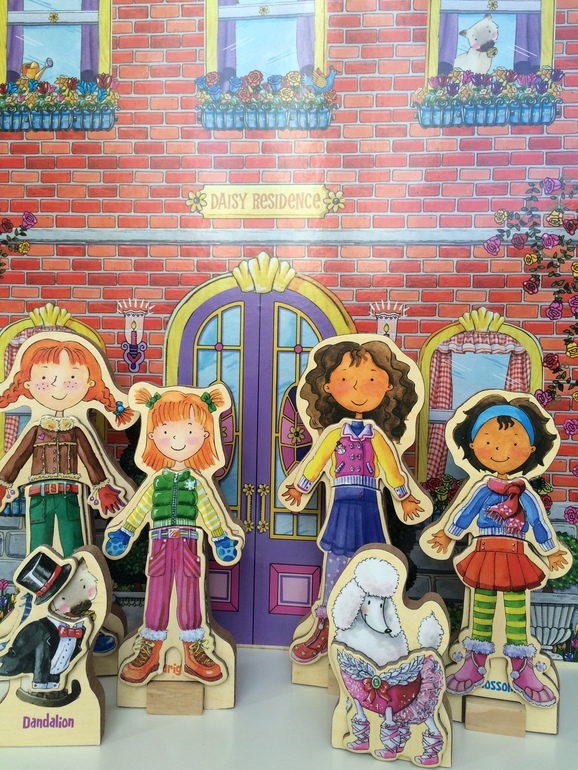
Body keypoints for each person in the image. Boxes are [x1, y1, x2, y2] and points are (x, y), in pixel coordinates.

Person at [282, 336, 430, 664]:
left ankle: (368, 631)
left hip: (370, 507)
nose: (358, 388)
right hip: (343, 504)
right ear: (328, 387)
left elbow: (391, 470)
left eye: (371, 379)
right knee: (337, 561)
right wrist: (301, 487)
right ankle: (327, 627)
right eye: (346, 379)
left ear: (389, 386)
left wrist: (404, 497)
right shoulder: (334, 434)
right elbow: (316, 462)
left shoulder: (377, 436)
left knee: (371, 564)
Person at [423, 392, 569, 707]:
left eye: (514, 442)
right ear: (473, 445)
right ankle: (474, 661)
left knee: (516, 611)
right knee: (482, 608)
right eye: (489, 441)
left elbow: (538, 523)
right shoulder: (482, 489)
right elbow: (464, 513)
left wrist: (550, 550)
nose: (501, 450)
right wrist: (449, 536)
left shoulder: (524, 493)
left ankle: (521, 666)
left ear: (531, 449)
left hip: (517, 557)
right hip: (484, 554)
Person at [104, 386, 243, 685]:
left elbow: (210, 511)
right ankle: (149, 650)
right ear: (153, 435)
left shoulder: (197, 482)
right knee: (157, 592)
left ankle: (194, 650)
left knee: (191, 592)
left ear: (205, 435)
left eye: (189, 432)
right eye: (167, 432)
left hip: (190, 543)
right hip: (160, 543)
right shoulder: (156, 482)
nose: (177, 440)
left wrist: (220, 537)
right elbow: (139, 509)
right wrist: (125, 532)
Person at [0, 335, 133, 557]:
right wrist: (3, 483)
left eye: (72, 377)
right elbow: (17, 459)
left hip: (69, 496)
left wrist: (102, 487)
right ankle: (38, 580)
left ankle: (78, 578)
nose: (57, 386)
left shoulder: (76, 430)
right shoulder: (35, 430)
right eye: (44, 377)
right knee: (38, 548)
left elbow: (91, 462)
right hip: (39, 497)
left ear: (90, 383)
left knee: (74, 545)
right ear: (28, 383)